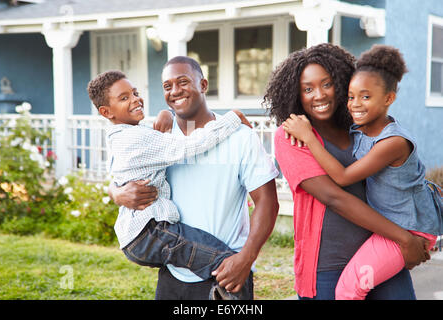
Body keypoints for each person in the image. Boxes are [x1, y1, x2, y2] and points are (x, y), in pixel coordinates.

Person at [264, 43, 430, 300]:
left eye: (327, 84)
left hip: (379, 253)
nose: (318, 95)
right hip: (328, 267)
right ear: (296, 94)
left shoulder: (362, 126)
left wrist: (405, 237)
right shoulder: (291, 137)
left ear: (342, 83)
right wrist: (405, 239)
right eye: (308, 89)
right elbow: (334, 197)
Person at [108, 56, 280, 300]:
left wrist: (245, 259)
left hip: (228, 271)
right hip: (174, 273)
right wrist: (115, 192)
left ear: (203, 85)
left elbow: (268, 203)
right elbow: (123, 169)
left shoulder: (240, 136)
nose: (175, 91)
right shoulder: (158, 136)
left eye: (183, 82)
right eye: (167, 86)